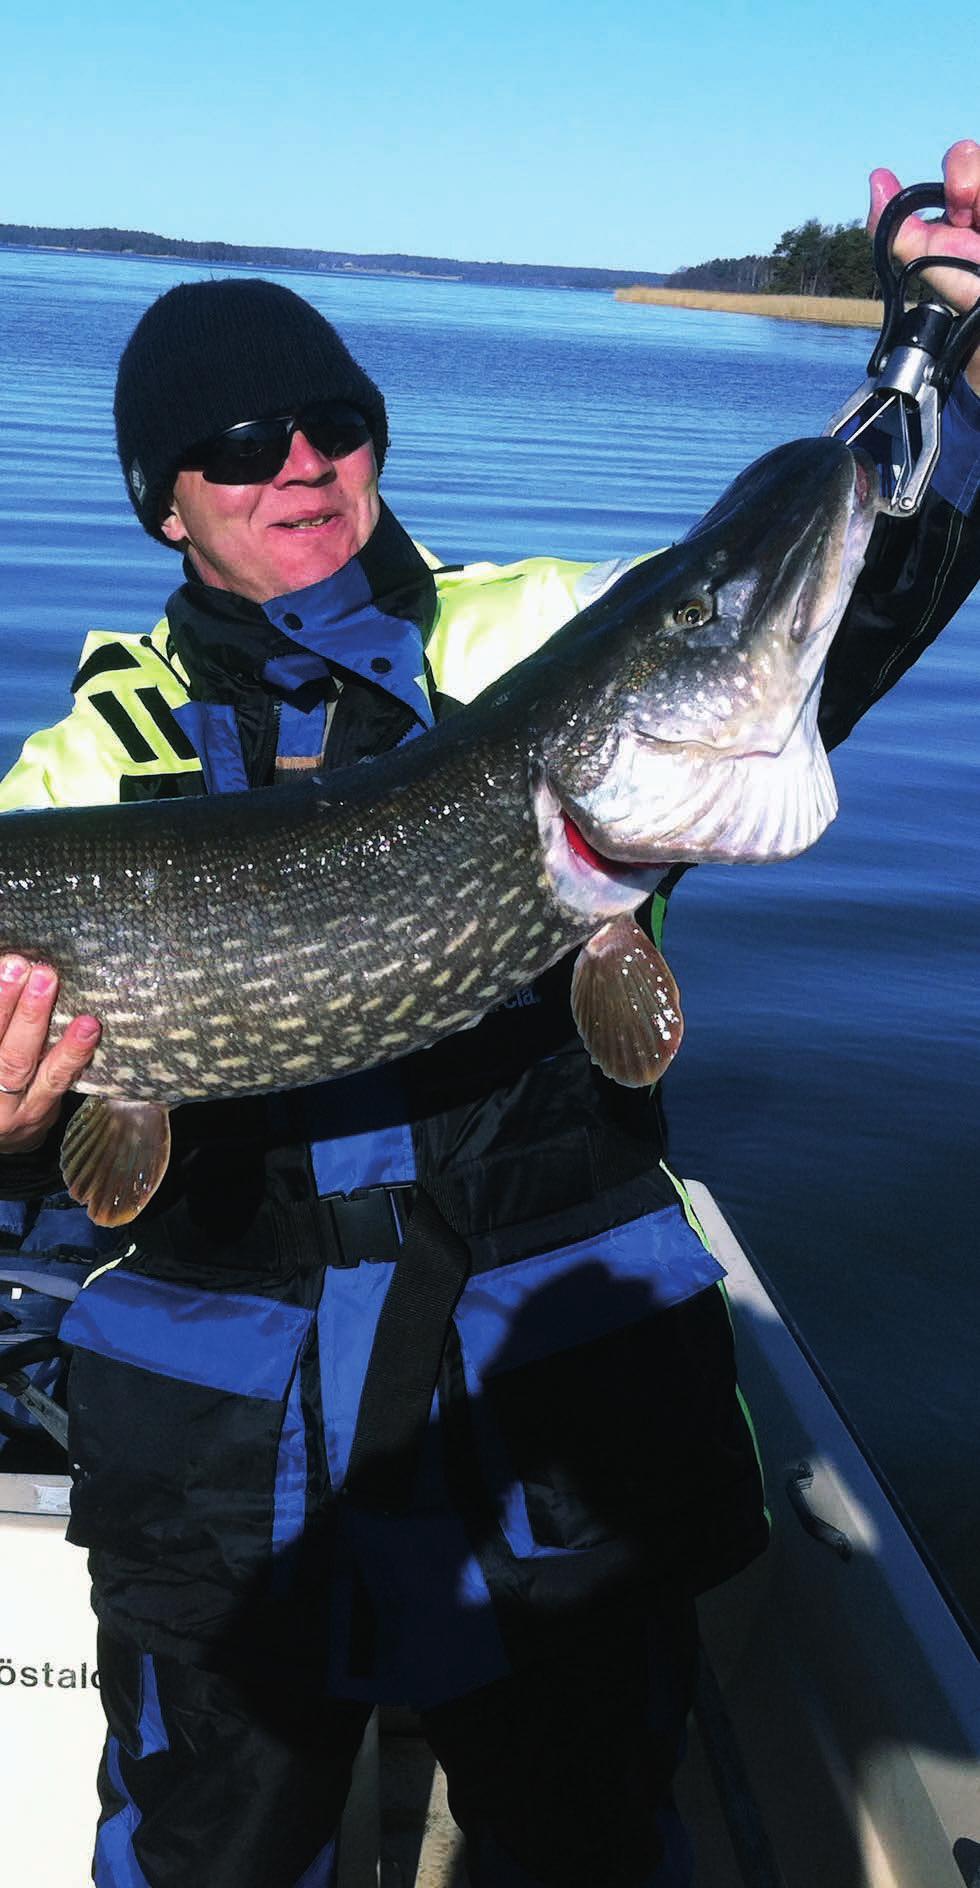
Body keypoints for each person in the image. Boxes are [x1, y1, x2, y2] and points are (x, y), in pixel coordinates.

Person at [0, 142, 978, 1888]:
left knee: (588, 1845)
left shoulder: (527, 637)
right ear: (166, 500)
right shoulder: (84, 774)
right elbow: (35, 1170)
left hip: (546, 1429)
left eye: (336, 418)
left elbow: (826, 609)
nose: (301, 462)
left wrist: (945, 362)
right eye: (239, 446)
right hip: (230, 1474)